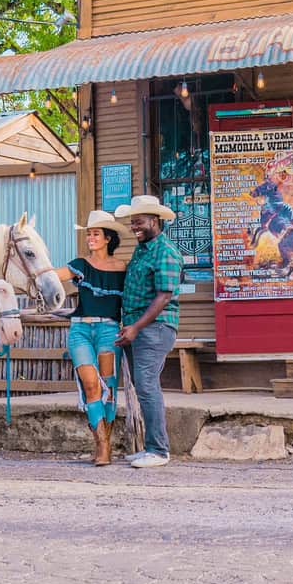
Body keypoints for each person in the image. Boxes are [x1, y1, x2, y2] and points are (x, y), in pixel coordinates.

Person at [114, 194, 183, 469]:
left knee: (146, 385)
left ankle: (158, 450)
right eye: (132, 223)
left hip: (154, 328)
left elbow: (164, 296)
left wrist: (136, 327)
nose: (134, 227)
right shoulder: (142, 249)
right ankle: (150, 447)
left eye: (139, 222)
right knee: (141, 386)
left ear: (155, 221)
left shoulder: (165, 251)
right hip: (136, 328)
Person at [55, 210, 128, 466]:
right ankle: (102, 444)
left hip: (109, 329)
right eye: (88, 234)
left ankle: (105, 445)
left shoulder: (122, 268)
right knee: (90, 385)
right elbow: (51, 277)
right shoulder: (80, 265)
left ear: (108, 238)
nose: (90, 238)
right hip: (80, 330)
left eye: (95, 233)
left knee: (108, 386)